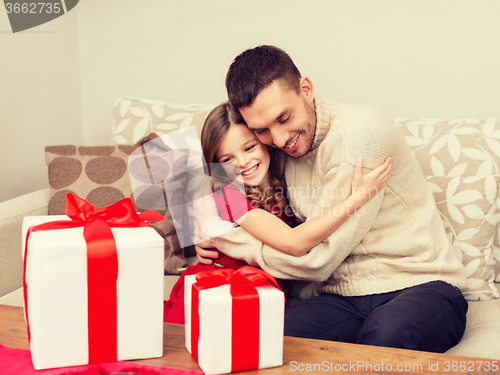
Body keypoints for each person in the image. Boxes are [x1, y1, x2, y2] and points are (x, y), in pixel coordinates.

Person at [194, 45, 468, 353]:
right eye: (263, 131)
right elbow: (216, 163)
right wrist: (205, 229)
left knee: (385, 341)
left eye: (284, 117)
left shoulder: (360, 136)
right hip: (343, 296)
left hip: (419, 284)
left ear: (306, 89)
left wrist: (227, 240)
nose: (280, 139)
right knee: (267, 338)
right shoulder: (278, 149)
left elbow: (316, 260)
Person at [163, 101, 392, 323]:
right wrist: (356, 199)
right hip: (217, 295)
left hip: (259, 296)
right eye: (227, 159)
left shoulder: (284, 181)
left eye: (249, 147)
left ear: (266, 141)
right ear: (217, 166)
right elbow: (293, 242)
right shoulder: (230, 194)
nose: (242, 162)